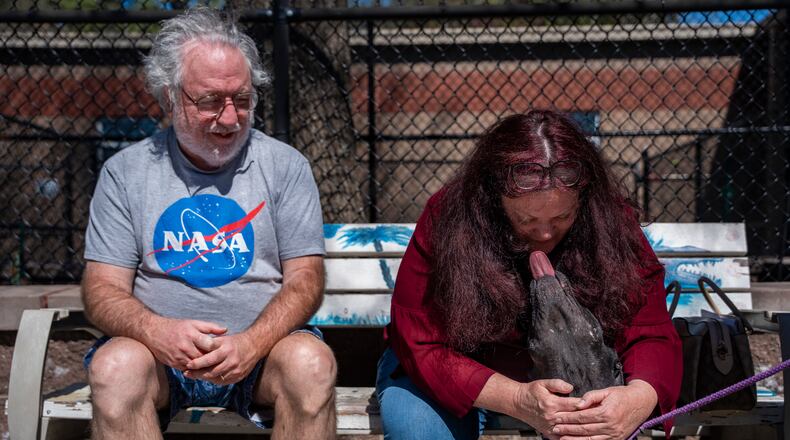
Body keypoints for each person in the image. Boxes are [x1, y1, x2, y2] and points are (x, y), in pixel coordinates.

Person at [81, 8, 336, 440]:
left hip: (262, 357)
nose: (231, 117)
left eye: (242, 99)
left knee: (310, 365)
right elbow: (101, 289)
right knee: (115, 367)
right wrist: (156, 331)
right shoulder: (126, 173)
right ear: (170, 97)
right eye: (211, 101)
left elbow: (305, 279)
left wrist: (253, 343)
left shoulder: (285, 167)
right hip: (158, 360)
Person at [377, 110, 682, 440]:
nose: (546, 233)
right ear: (493, 197)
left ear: (585, 199)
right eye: (526, 220)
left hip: (578, 369)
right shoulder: (449, 215)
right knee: (419, 431)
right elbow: (420, 339)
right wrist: (516, 398)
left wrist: (637, 399)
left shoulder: (611, 221)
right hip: (451, 371)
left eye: (563, 216)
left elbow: (649, 331)